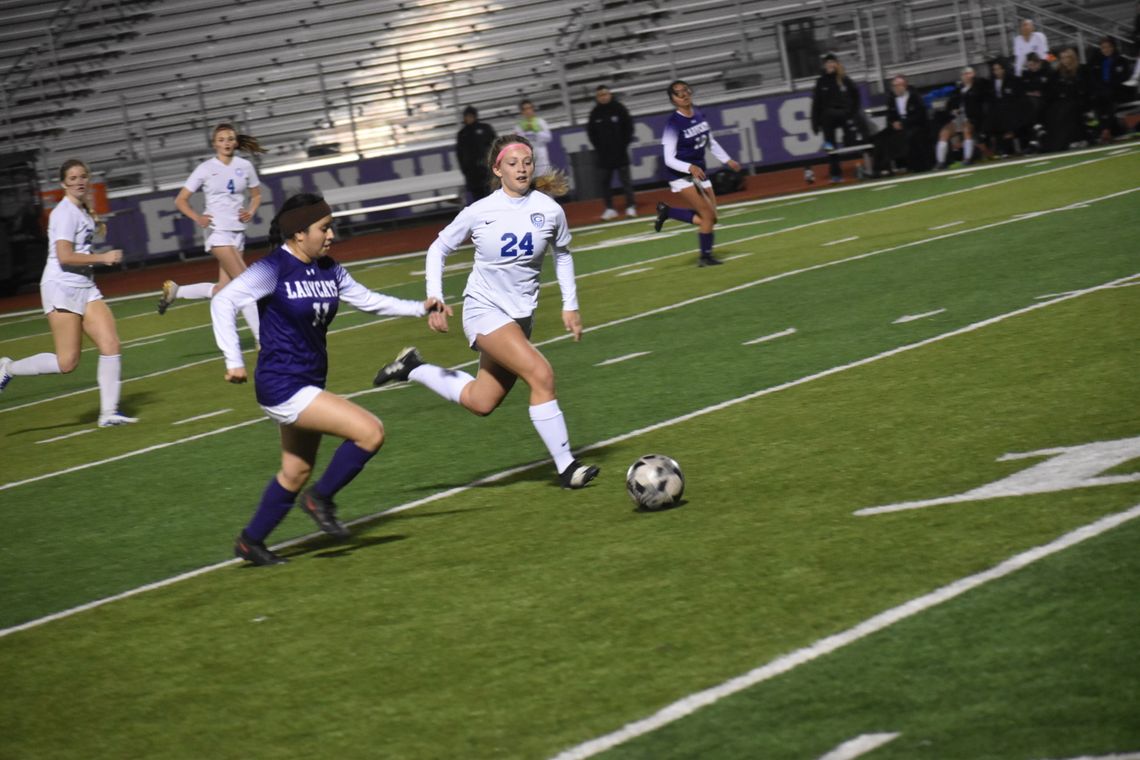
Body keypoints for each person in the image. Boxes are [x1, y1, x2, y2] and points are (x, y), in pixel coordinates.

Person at [210, 193, 445, 566]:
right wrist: (233, 359)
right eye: (324, 227)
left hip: (308, 381)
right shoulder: (273, 268)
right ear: (299, 234)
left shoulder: (329, 268)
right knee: (370, 431)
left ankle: (250, 542)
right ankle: (321, 499)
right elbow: (223, 302)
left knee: (295, 470)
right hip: (281, 383)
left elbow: (368, 300)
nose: (331, 234)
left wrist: (420, 308)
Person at [371, 134, 599, 490]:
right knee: (541, 374)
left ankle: (413, 367)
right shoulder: (480, 211)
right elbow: (437, 249)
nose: (522, 168)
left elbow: (564, 253)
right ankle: (567, 467)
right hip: (484, 310)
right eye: (513, 163)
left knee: (482, 401)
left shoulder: (550, 209)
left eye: (526, 161)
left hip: (520, 318)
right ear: (498, 169)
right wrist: (435, 297)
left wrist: (571, 304)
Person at [0, 159, 137, 427]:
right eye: (72, 178)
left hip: (85, 287)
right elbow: (64, 256)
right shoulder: (64, 213)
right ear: (63, 183)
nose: (79, 181)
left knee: (111, 345)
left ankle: (109, 413)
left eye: (82, 176)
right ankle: (7, 368)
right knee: (67, 362)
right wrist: (103, 258)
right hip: (61, 288)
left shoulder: (83, 210)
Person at [158, 123, 265, 346]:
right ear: (214, 144)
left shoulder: (244, 166)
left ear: (236, 142)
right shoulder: (206, 168)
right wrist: (198, 218)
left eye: (230, 139)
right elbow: (181, 200)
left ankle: (177, 292)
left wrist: (251, 211)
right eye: (222, 139)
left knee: (223, 289)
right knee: (246, 284)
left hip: (238, 233)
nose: (226, 143)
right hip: (218, 233)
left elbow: (256, 195)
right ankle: (262, 339)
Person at [653, 80, 742, 267]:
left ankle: (668, 211)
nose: (684, 94)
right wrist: (688, 167)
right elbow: (668, 159)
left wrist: (727, 160)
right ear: (673, 100)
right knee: (707, 216)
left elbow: (710, 141)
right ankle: (705, 257)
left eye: (686, 90)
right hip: (681, 175)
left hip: (698, 172)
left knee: (711, 217)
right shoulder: (673, 124)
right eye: (678, 93)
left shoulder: (699, 114)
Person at [810, 53, 863, 183]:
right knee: (830, 146)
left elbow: (856, 95)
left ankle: (858, 165)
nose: (830, 64)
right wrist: (815, 123)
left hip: (843, 114)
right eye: (828, 62)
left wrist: (852, 111)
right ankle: (835, 173)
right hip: (827, 118)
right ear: (825, 65)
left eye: (832, 62)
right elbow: (816, 103)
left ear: (836, 64)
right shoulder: (821, 81)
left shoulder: (844, 79)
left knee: (851, 140)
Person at [587, 85, 637, 220]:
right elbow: (591, 133)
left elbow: (629, 127)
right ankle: (609, 208)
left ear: (610, 94)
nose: (603, 97)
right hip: (604, 155)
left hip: (620, 152)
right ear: (597, 97)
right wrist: (599, 148)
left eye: (605, 94)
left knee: (625, 181)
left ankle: (631, 206)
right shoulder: (595, 113)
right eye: (600, 95)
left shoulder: (619, 108)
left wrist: (624, 144)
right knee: (605, 182)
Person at [874, 74, 930, 175]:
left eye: (897, 85)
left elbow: (920, 115)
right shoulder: (891, 99)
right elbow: (890, 115)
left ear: (904, 85)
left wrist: (904, 123)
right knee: (879, 138)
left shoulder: (915, 97)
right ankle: (881, 168)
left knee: (910, 136)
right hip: (898, 126)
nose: (895, 88)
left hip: (913, 125)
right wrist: (893, 123)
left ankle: (911, 165)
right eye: (894, 86)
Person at [935, 66, 988, 169]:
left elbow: (980, 105)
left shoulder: (978, 88)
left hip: (973, 118)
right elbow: (950, 105)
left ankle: (968, 158)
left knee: (966, 130)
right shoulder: (957, 91)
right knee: (944, 133)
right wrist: (953, 110)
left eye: (968, 73)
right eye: (964, 74)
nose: (966, 76)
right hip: (958, 118)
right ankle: (940, 162)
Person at [1087, 37, 1131, 140]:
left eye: (1108, 47)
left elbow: (1124, 77)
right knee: (1097, 101)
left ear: (1113, 47)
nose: (1106, 50)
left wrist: (1110, 86)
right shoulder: (1096, 62)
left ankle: (1105, 130)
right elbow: (1093, 79)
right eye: (1103, 47)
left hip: (1118, 91)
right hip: (1102, 92)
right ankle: (1104, 130)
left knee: (1110, 100)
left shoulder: (1121, 60)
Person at [1046, 47, 1089, 151]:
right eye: (1062, 58)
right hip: (1065, 101)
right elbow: (1052, 90)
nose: (1065, 60)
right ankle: (1066, 140)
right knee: (1058, 110)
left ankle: (1079, 138)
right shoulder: (1057, 73)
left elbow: (1085, 87)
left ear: (1072, 58)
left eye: (1067, 57)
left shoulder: (1081, 69)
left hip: (1081, 99)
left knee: (1069, 109)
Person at [456, 105, 496, 203]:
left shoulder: (485, 129)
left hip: (486, 170)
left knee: (490, 196)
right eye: (467, 116)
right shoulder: (462, 134)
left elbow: (495, 145)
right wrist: (464, 169)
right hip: (471, 173)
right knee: (477, 199)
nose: (469, 118)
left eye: (471, 116)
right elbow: (459, 154)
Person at [986, 58, 1025, 156]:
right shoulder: (991, 83)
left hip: (1011, 108)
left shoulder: (1012, 80)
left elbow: (1017, 96)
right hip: (997, 110)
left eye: (999, 69)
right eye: (995, 69)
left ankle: (1015, 146)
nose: (997, 72)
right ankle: (1001, 149)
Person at [516, 100, 553, 175]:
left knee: (544, 181)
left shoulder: (541, 122)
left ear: (533, 109)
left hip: (541, 157)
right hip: (527, 158)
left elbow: (549, 137)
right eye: (525, 109)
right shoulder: (519, 126)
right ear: (522, 111)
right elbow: (518, 142)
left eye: (529, 108)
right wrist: (525, 134)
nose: (528, 111)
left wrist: (536, 133)